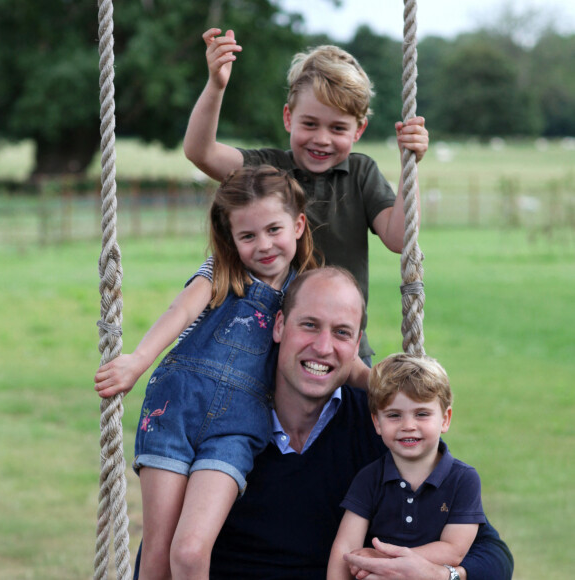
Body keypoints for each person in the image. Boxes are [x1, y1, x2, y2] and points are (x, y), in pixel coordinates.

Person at [131, 268, 513, 580]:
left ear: (357, 341)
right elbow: (161, 554)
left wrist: (442, 574)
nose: (324, 347)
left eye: (342, 332)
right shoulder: (220, 420)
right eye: (309, 325)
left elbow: (491, 554)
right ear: (279, 326)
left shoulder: (378, 423)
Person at [94, 165, 325, 580]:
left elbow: (322, 347)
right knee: (158, 558)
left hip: (236, 429)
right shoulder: (222, 272)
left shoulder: (302, 293)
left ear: (298, 225)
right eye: (248, 236)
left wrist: (373, 379)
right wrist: (136, 361)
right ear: (231, 239)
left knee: (190, 550)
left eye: (274, 229)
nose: (264, 245)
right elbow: (180, 311)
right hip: (174, 410)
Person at [183, 29, 430, 363]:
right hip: (268, 348)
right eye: (310, 124)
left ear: (359, 131)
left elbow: (399, 238)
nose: (322, 139)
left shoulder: (361, 173)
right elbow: (201, 152)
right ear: (288, 118)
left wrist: (408, 166)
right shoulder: (267, 170)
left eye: (338, 128)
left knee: (357, 412)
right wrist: (216, 85)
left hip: (343, 348)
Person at [327, 354, 486, 580]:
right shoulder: (369, 478)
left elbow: (453, 550)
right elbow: (344, 548)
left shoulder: (463, 479)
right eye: (394, 415)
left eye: (422, 414)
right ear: (377, 423)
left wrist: (384, 561)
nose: (408, 426)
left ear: (445, 419)